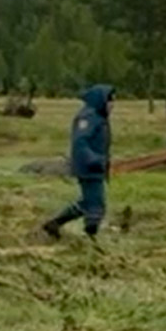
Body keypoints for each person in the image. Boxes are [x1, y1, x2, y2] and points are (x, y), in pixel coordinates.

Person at [42, 85, 115, 241]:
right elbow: (80, 142)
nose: (112, 105)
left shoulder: (99, 117)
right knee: (96, 206)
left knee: (88, 202)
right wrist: (94, 159)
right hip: (89, 168)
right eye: (110, 100)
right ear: (100, 100)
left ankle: (54, 224)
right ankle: (90, 238)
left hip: (96, 167)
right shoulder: (88, 117)